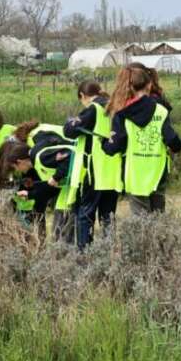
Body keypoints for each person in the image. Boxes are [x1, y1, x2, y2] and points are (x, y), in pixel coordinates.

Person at [103, 65, 181, 214]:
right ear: (149, 85)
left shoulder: (122, 113)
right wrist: (177, 147)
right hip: (158, 171)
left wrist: (104, 143)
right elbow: (172, 140)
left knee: (140, 219)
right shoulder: (161, 110)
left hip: (134, 173)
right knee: (158, 215)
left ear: (129, 87)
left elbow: (114, 147)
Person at [60, 81, 120, 249]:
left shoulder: (94, 108)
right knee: (108, 217)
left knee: (85, 215)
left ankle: (85, 254)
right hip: (112, 172)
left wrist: (70, 121)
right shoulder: (114, 106)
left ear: (82, 96)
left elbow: (69, 131)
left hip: (95, 171)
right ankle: (110, 253)